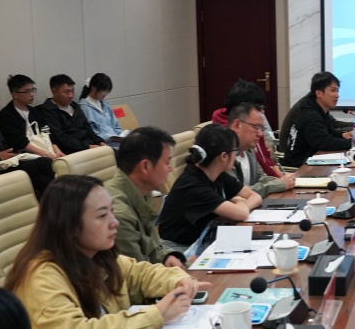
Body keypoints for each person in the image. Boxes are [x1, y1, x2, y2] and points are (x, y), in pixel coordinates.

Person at [5, 175, 204, 329]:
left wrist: (179, 279)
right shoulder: (41, 276)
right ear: (70, 226)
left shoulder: (96, 255)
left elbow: (141, 273)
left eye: (111, 211)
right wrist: (157, 315)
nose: (114, 222)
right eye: (102, 215)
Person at [157, 125, 262, 255]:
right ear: (223, 156)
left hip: (202, 241)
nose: (236, 156)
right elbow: (242, 213)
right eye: (235, 151)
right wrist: (238, 201)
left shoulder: (217, 174)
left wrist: (236, 207)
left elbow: (256, 197)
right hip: (178, 250)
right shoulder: (193, 186)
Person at [104, 127, 187, 268]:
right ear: (145, 167)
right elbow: (138, 274)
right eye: (167, 163)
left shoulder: (142, 191)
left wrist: (166, 257)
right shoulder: (118, 215)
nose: (171, 169)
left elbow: (151, 247)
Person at [279, 72, 355, 168]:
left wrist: (343, 135)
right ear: (319, 93)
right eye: (333, 90)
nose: (337, 95)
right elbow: (325, 142)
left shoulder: (317, 108)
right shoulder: (310, 115)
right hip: (299, 167)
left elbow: (329, 131)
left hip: (310, 161)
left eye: (337, 91)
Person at [210, 79, 285, 177]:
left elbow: (265, 160)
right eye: (259, 107)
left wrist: (282, 179)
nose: (262, 112)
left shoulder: (251, 128)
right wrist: (280, 181)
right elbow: (239, 186)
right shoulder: (226, 145)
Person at [228, 103, 294, 195]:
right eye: (256, 127)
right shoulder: (224, 154)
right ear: (237, 125)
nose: (260, 134)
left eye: (262, 128)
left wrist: (283, 180)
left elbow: (261, 177)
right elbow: (238, 191)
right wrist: (279, 184)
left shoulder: (249, 150)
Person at [0, 75, 64, 161]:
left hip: (45, 151)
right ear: (15, 94)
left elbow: (47, 131)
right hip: (24, 156)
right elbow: (19, 143)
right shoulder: (6, 115)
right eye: (27, 91)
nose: (32, 94)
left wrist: (57, 151)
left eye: (33, 90)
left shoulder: (34, 111)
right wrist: (47, 154)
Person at [38, 74, 106, 155]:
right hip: (72, 150)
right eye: (66, 92)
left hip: (89, 145)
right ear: (54, 91)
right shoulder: (49, 110)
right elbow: (61, 138)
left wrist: (100, 141)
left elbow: (88, 129)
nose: (70, 95)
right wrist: (88, 146)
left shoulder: (75, 106)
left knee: (113, 153)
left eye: (72, 91)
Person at [77, 73, 124, 140]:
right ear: (93, 88)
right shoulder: (84, 107)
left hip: (115, 141)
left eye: (107, 91)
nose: (106, 93)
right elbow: (91, 133)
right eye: (104, 90)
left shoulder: (106, 105)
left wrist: (122, 136)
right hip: (102, 143)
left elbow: (116, 126)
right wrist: (109, 138)